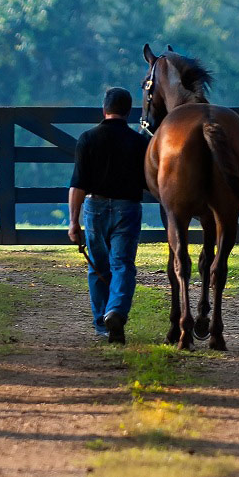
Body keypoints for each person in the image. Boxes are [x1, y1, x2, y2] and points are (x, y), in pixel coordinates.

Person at [67, 87, 149, 344]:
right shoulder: (139, 142)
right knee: (123, 264)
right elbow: (150, 182)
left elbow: (77, 185)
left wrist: (73, 222)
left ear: (104, 109)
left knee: (98, 266)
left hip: (95, 207)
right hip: (128, 207)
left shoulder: (88, 138)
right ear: (129, 111)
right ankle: (116, 311)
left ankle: (102, 324)